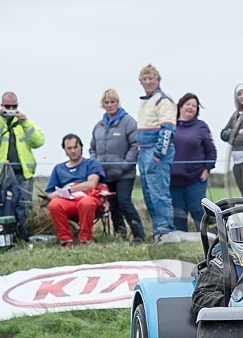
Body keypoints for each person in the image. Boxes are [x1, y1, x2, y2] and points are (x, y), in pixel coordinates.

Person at [0, 91, 45, 239]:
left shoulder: (24, 124)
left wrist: (26, 123)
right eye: (7, 106)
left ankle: (24, 236)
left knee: (25, 208)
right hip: (2, 175)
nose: (10, 109)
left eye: (14, 106)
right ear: (1, 106)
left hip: (23, 174)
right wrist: (1, 120)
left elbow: (39, 142)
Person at [190, 211, 243, 319]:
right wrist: (237, 304)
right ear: (234, 233)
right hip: (241, 326)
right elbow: (201, 300)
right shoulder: (223, 265)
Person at [89, 88, 146, 242]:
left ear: (118, 103)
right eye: (106, 102)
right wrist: (95, 165)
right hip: (105, 175)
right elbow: (92, 148)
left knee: (124, 202)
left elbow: (135, 145)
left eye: (112, 102)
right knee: (113, 206)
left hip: (124, 174)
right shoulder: (98, 126)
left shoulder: (128, 122)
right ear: (103, 104)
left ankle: (139, 235)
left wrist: (125, 165)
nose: (110, 105)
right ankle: (120, 236)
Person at [136, 64, 179, 244]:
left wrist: (158, 154)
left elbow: (168, 129)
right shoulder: (144, 101)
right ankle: (157, 231)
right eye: (144, 79)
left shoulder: (163, 100)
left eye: (151, 78)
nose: (147, 82)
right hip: (143, 151)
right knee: (148, 194)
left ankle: (165, 231)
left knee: (159, 193)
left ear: (158, 80)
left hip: (155, 151)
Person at [44, 134, 108, 247]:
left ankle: (85, 239)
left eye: (75, 147)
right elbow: (50, 193)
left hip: (88, 198)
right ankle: (66, 241)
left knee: (86, 203)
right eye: (69, 148)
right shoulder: (59, 169)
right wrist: (56, 194)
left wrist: (70, 189)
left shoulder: (92, 163)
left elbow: (91, 184)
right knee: (54, 204)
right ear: (64, 150)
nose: (73, 151)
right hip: (68, 202)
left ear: (81, 148)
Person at [171, 92, 217, 232]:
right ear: (180, 106)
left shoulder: (201, 127)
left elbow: (211, 151)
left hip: (196, 177)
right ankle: (182, 242)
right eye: (188, 104)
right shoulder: (170, 125)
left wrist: (208, 168)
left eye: (194, 106)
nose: (190, 108)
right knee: (178, 213)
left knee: (197, 209)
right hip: (173, 179)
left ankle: (206, 238)